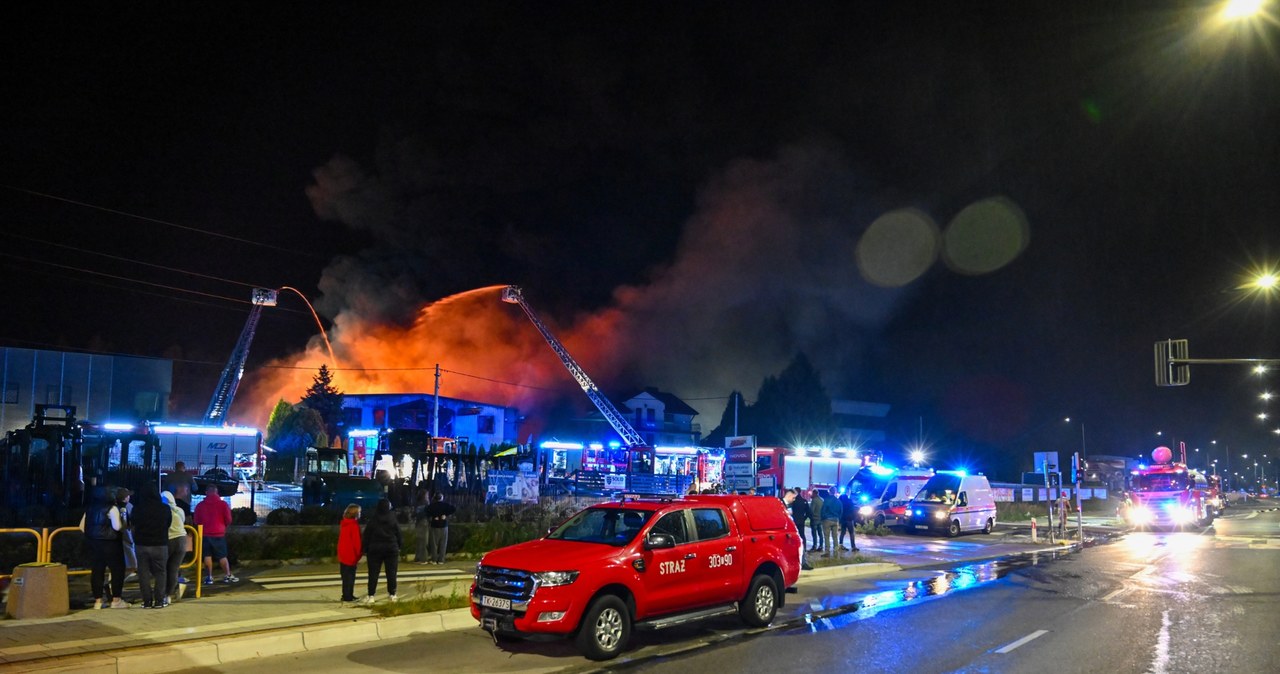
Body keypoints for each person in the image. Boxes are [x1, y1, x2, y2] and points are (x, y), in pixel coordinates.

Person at [79, 485, 127, 609]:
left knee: (97, 571)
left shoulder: (90, 509)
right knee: (117, 571)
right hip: (111, 544)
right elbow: (116, 527)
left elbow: (81, 526)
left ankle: (98, 602)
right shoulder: (112, 508)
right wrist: (124, 525)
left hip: (94, 544)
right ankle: (116, 600)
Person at [129, 483, 172, 609]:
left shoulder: (137, 508)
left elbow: (133, 523)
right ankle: (159, 600)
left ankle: (147, 601)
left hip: (141, 544)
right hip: (160, 544)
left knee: (143, 573)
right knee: (161, 572)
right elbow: (168, 524)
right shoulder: (165, 509)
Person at [193, 483, 237, 584]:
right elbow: (228, 519)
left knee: (207, 556)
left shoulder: (200, 505)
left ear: (206, 493)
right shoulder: (223, 504)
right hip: (219, 534)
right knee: (222, 556)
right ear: (217, 492)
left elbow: (196, 521)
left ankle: (209, 577)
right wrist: (223, 526)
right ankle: (228, 575)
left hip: (204, 534)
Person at [360, 498, 402, 604]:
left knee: (373, 573)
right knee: (391, 573)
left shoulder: (373, 520)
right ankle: (392, 594)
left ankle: (371, 595)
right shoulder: (393, 519)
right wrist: (399, 546)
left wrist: (365, 549)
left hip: (375, 549)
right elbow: (399, 534)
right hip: (391, 549)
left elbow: (367, 535)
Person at [160, 490, 188, 603]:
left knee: (163, 569)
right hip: (182, 540)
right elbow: (183, 521)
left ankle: (162, 594)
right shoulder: (179, 510)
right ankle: (168, 595)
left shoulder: (162, 511)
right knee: (174, 569)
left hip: (169, 540)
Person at [338, 504, 363, 603]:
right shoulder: (354, 525)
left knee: (345, 577)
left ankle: (346, 594)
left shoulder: (344, 524)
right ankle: (349, 596)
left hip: (343, 554)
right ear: (355, 514)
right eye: (359, 512)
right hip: (351, 555)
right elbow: (357, 542)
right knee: (350, 577)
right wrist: (359, 554)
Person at [422, 492, 456, 565]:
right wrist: (445, 515)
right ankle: (441, 559)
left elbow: (426, 511)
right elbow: (453, 508)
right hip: (444, 525)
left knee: (434, 543)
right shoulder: (445, 505)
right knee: (443, 543)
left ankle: (434, 559)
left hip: (435, 525)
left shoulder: (432, 506)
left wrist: (433, 516)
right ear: (441, 498)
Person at [116, 488, 137, 582]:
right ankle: (133, 569)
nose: (129, 497)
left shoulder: (115, 507)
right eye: (127, 495)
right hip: (127, 533)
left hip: (117, 534)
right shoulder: (129, 507)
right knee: (130, 551)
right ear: (124, 498)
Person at [819, 490, 840, 557]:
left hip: (827, 520)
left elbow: (823, 510)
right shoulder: (838, 501)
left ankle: (827, 552)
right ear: (835, 492)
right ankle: (836, 551)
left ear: (829, 492)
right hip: (835, 520)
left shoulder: (827, 500)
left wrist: (822, 518)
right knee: (835, 536)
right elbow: (841, 510)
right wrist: (838, 518)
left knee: (826, 536)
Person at [412, 490, 430, 564]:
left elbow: (414, 513)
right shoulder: (426, 503)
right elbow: (428, 513)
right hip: (424, 522)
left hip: (418, 522)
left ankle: (417, 558)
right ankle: (424, 558)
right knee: (424, 541)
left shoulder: (417, 503)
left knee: (419, 541)